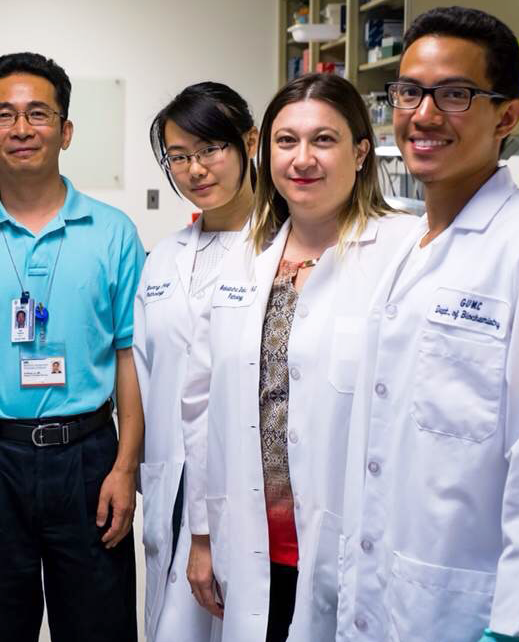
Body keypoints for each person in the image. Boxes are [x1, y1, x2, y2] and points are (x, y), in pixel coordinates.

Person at [335, 8, 519, 642]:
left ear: (506, 115)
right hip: (380, 587)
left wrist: (515, 623)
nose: (424, 115)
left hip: (466, 605)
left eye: (455, 94)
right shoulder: (403, 242)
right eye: (408, 92)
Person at [0, 52, 145, 642]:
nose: (21, 129)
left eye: (38, 114)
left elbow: (130, 357)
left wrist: (125, 467)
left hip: (88, 456)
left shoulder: (115, 234)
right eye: (4, 116)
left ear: (65, 130)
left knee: (100, 629)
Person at [181, 73, 420, 642]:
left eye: (324, 140)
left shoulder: (406, 248)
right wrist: (202, 534)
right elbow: (200, 407)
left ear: (361, 151)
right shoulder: (247, 254)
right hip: (253, 540)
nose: (302, 159)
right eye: (286, 141)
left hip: (358, 544)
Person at [133, 81, 259, 642]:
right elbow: (140, 373)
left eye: (210, 149)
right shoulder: (162, 259)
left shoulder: (281, 250)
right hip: (169, 483)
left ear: (249, 143)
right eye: (179, 157)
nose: (195, 169)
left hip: (246, 490)